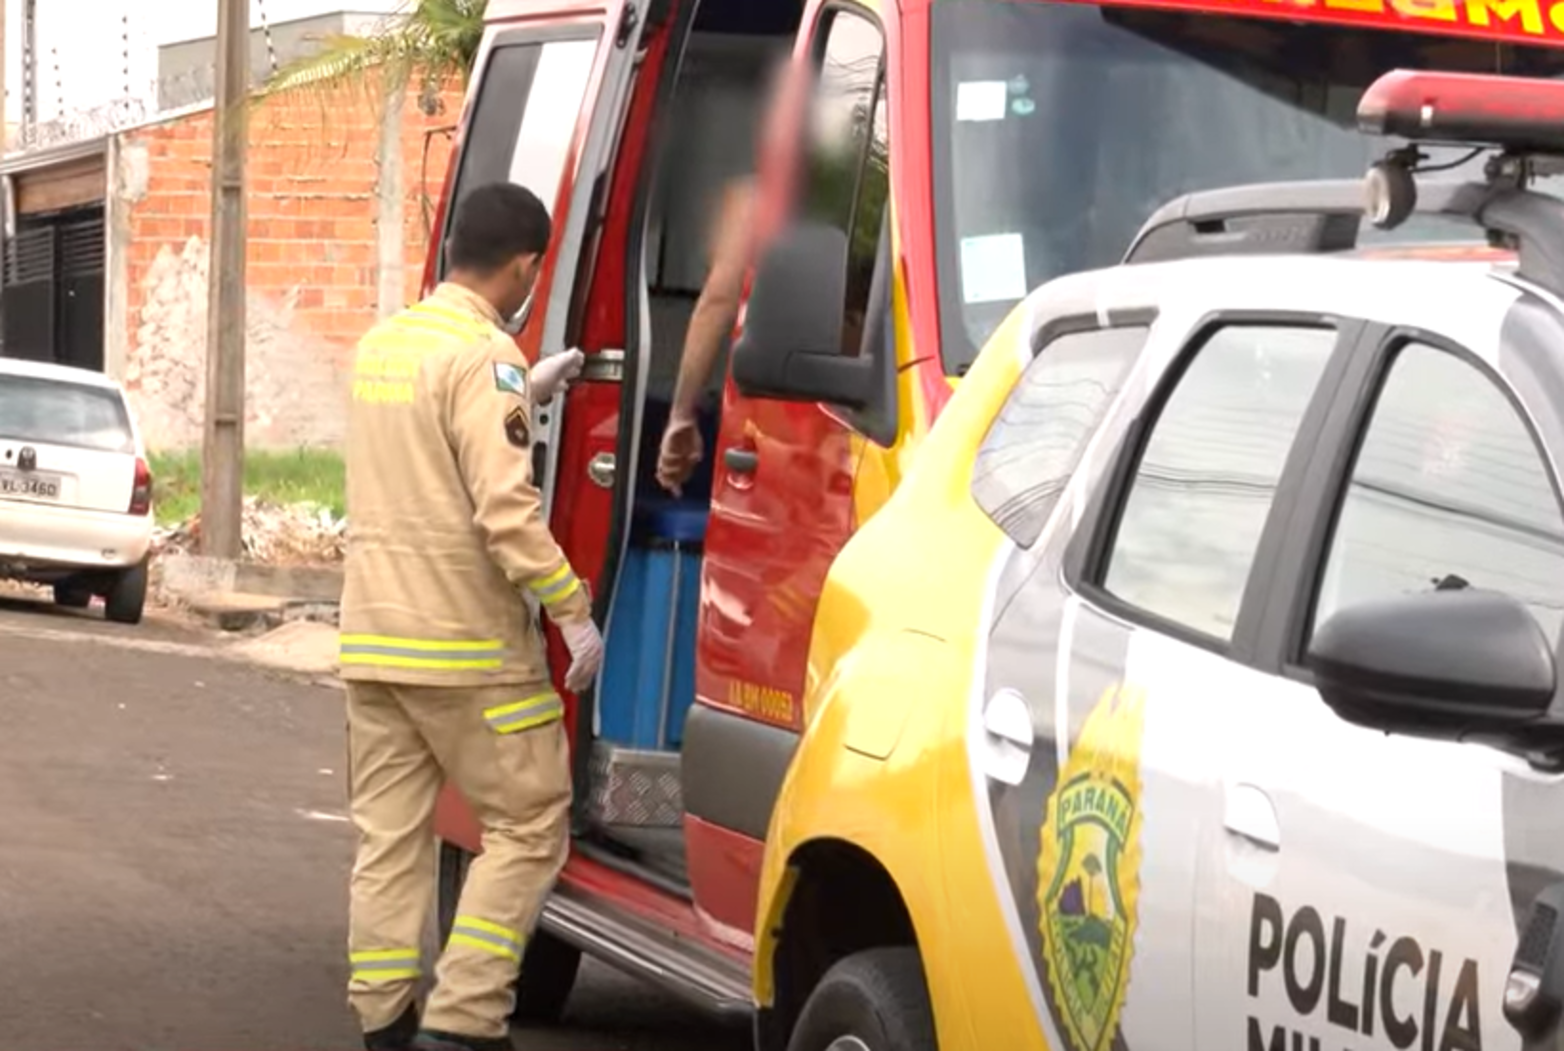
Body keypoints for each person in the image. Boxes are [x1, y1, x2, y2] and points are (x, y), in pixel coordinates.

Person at [337, 180, 604, 1051]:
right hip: (468, 652)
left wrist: (528, 385)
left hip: (373, 642)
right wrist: (573, 610)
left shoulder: (386, 344)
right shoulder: (483, 359)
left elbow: (423, 457)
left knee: (390, 838)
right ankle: (463, 1020)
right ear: (526, 267)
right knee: (529, 822)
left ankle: (383, 1022)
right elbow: (504, 512)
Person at [654, 54, 811, 497]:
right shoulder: (892, 197)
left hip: (768, 425)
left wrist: (681, 413)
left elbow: (718, 301)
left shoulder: (757, 201)